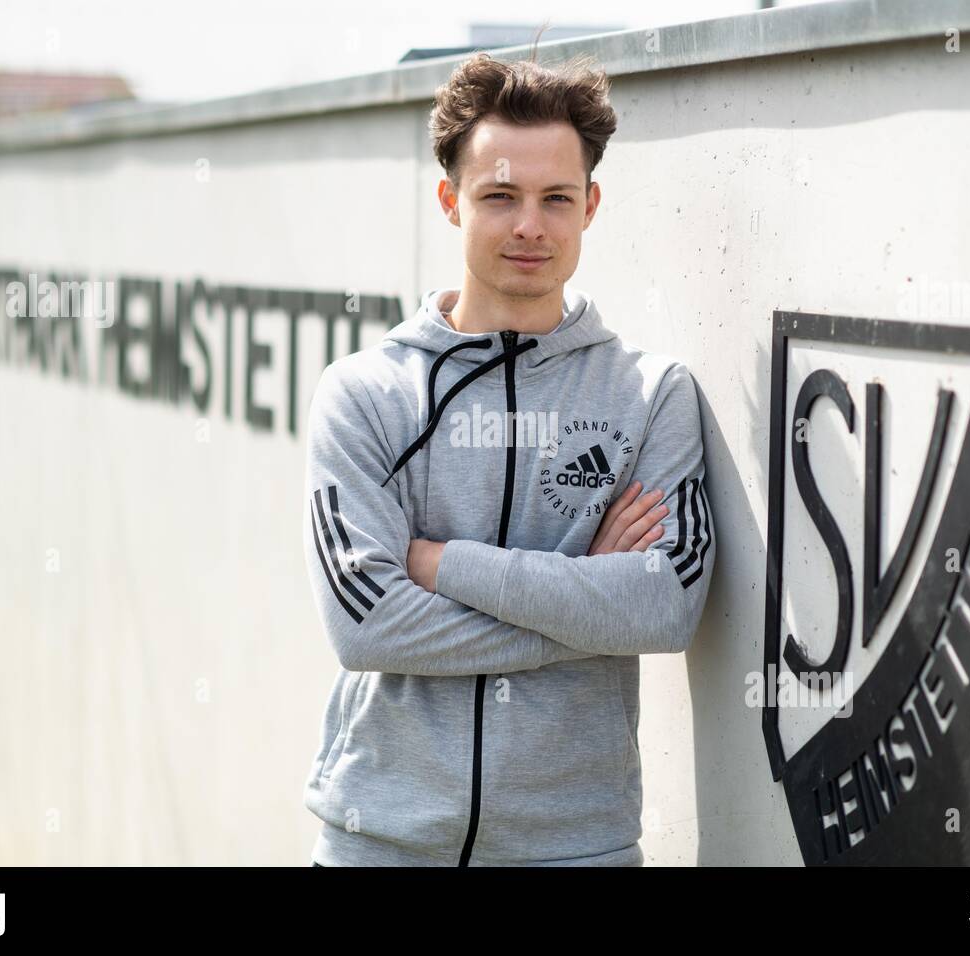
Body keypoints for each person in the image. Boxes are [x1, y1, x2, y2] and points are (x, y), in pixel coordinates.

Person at [301, 49, 715, 866]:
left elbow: (663, 609)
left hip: (578, 847)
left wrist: (441, 562)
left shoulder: (653, 395)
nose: (531, 225)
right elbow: (368, 626)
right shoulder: (365, 394)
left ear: (590, 206)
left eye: (556, 198)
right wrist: (587, 603)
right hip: (381, 841)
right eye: (499, 196)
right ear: (451, 200)